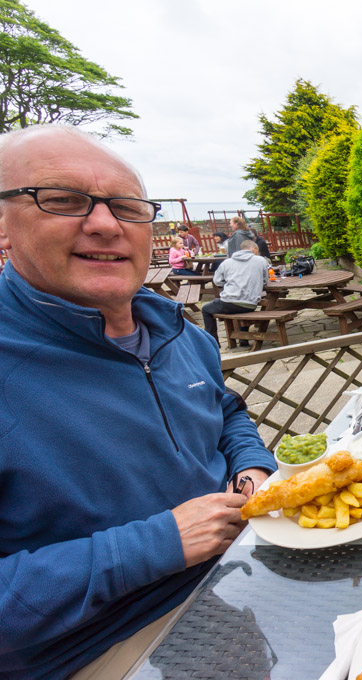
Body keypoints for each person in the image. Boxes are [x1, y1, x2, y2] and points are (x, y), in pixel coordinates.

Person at [0, 125, 275, 678]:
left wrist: (252, 465)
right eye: (62, 199)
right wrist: (157, 545)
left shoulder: (181, 332)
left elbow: (225, 411)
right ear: (3, 225)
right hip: (101, 645)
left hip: (240, 573)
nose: (105, 224)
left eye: (127, 207)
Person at [202, 239, 268, 347]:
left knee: (206, 309)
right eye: (257, 250)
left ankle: (212, 343)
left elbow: (217, 281)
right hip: (250, 304)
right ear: (253, 248)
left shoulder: (226, 262)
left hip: (229, 302)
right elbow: (265, 281)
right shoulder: (261, 261)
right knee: (239, 306)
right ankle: (243, 339)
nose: (258, 252)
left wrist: (228, 283)